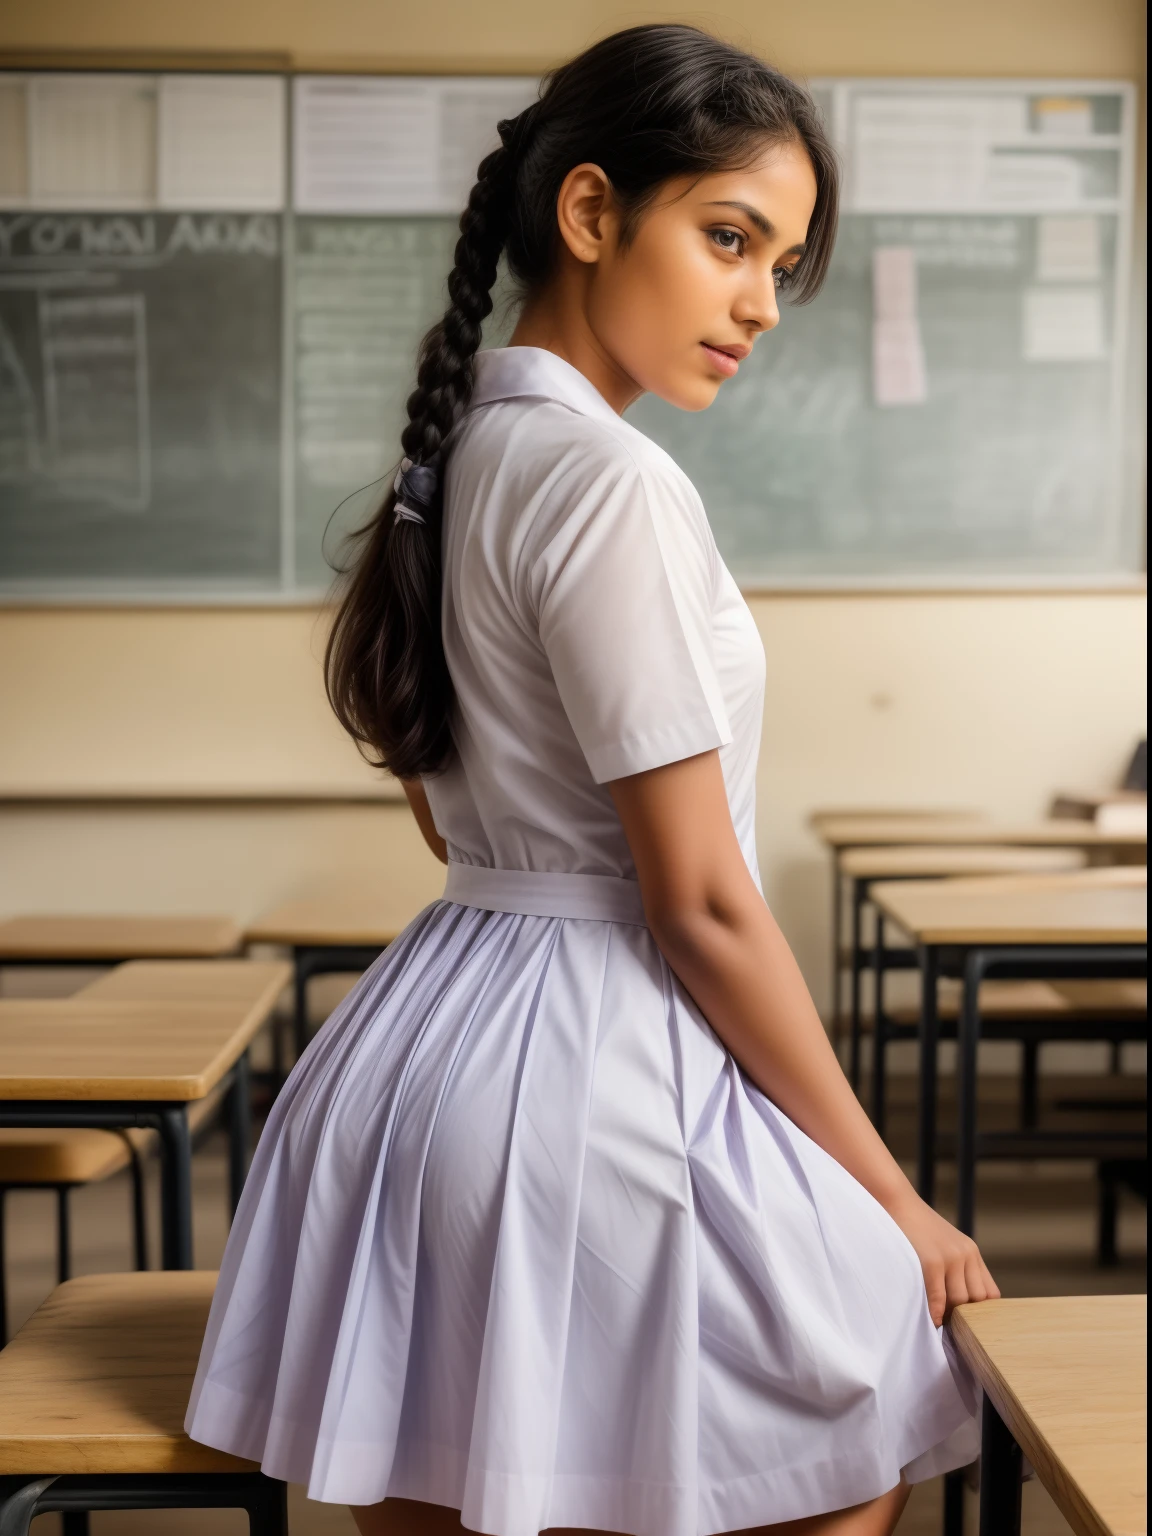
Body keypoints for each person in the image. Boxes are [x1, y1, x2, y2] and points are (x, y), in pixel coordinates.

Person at [187, 24, 998, 1536]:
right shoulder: (613, 484)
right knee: (864, 1390)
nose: (759, 304)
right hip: (587, 1073)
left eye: (783, 264)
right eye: (731, 238)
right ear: (590, 213)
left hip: (416, 1069)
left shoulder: (464, 457)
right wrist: (891, 1190)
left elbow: (448, 801)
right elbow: (694, 900)